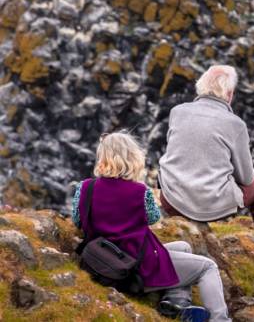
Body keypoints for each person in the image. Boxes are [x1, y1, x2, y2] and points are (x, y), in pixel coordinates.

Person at [72, 132, 227, 321]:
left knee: (183, 247)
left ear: (102, 157)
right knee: (208, 267)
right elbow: (153, 218)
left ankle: (176, 301)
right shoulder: (140, 191)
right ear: (132, 158)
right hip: (134, 266)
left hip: (101, 259)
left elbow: (77, 220)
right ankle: (221, 319)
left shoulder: (85, 187)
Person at [157, 64, 254, 281]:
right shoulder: (236, 125)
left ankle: (172, 227)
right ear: (230, 94)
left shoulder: (177, 112)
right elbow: (246, 178)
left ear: (200, 88)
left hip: (173, 200)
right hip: (212, 206)